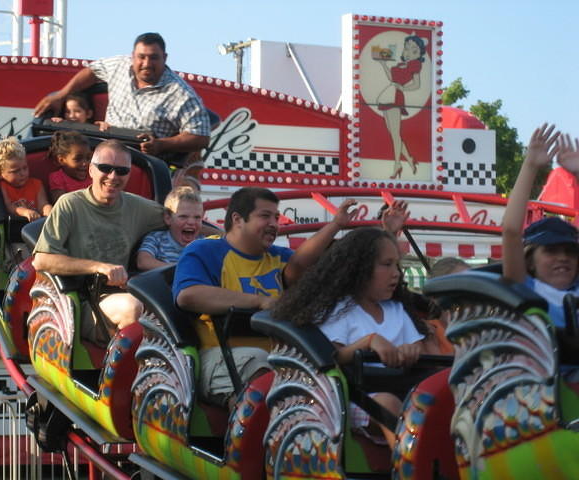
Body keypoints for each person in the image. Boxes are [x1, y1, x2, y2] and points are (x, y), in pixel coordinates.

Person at [173, 187, 357, 408]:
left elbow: (317, 267)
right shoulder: (206, 250)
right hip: (220, 356)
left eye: (276, 217)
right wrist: (259, 301)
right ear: (238, 219)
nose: (274, 223)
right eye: (265, 216)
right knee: (263, 370)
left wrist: (337, 225)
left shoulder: (280, 257)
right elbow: (189, 295)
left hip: (281, 358)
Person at [272, 227, 426, 448]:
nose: (396, 273)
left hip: (400, 388)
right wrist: (369, 342)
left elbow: (418, 348)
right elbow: (330, 358)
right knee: (389, 404)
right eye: (386, 265)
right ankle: (408, 466)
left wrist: (412, 352)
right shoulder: (339, 310)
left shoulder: (396, 310)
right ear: (359, 269)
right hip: (352, 397)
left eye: (397, 265)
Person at [32, 139, 167, 346]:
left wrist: (224, 236)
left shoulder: (138, 206)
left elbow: (182, 220)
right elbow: (41, 260)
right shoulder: (70, 204)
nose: (113, 176)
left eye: (121, 171)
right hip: (81, 301)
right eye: (105, 168)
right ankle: (122, 371)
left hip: (125, 290)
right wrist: (99, 267)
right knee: (133, 308)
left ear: (129, 174)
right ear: (91, 170)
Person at [34, 32, 210, 160]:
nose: (147, 63)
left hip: (142, 161)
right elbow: (92, 71)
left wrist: (161, 144)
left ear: (165, 57)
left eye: (154, 58)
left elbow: (200, 137)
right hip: (102, 151)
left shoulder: (181, 94)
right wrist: (61, 95)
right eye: (141, 57)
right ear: (132, 56)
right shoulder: (119, 65)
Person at [502, 123, 579, 328]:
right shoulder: (524, 287)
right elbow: (510, 231)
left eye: (570, 251)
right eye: (551, 250)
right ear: (530, 261)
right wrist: (530, 165)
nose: (563, 257)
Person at [375, 33, 427, 179]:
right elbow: (391, 78)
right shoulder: (400, 65)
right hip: (388, 95)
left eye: (414, 49)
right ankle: (410, 159)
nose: (410, 51)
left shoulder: (415, 64)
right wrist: (384, 64)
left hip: (395, 97)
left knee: (395, 134)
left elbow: (417, 84)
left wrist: (403, 88)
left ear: (419, 52)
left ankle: (397, 164)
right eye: (407, 48)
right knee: (393, 134)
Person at [137, 186, 203, 271]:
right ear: (168, 218)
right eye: (183, 216)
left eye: (197, 217)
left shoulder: (203, 243)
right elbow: (143, 262)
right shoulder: (157, 239)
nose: (191, 222)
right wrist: (178, 269)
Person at [0, 137, 52, 222]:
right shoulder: (2, 187)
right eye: (15, 171)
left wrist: (50, 211)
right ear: (0, 174)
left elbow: (43, 205)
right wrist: (25, 212)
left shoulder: (36, 184)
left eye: (25, 168)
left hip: (35, 227)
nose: (23, 173)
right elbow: (10, 207)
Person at [47, 130, 93, 203]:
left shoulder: (93, 174)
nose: (85, 163)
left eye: (88, 158)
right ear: (61, 160)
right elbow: (62, 205)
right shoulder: (57, 178)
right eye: (78, 159)